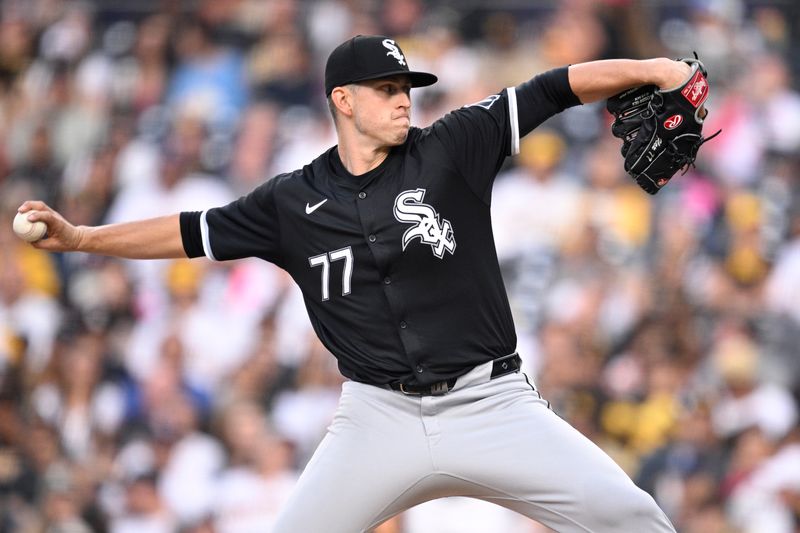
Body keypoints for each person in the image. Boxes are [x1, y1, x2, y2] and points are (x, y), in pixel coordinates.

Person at [17, 34, 693, 532]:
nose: (404, 101)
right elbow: (191, 230)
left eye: (406, 88)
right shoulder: (292, 200)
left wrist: (654, 69)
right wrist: (81, 238)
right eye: (387, 90)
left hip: (492, 403)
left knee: (632, 517)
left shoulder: (453, 145)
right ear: (343, 100)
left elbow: (551, 87)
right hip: (378, 417)